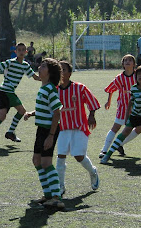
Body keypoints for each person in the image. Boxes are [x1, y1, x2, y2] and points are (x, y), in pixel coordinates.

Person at [24, 58, 65, 209]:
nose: (39, 68)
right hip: (41, 129)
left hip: (48, 130)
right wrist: (32, 113)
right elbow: (46, 109)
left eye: (43, 66)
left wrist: (51, 135)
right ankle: (48, 195)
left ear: (50, 72)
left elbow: (56, 113)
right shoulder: (44, 88)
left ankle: (56, 196)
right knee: (37, 161)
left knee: (46, 163)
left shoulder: (50, 89)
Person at [0, 42, 41, 146]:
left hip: (6, 91)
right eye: (19, 50)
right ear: (16, 52)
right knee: (22, 110)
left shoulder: (25, 65)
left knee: (2, 116)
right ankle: (10, 132)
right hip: (6, 91)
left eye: (23, 50)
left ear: (26, 52)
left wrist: (47, 79)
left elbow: (35, 77)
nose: (21, 52)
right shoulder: (11, 62)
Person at [56, 61, 100, 195]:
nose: (62, 73)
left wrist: (91, 115)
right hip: (63, 128)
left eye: (64, 70)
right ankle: (60, 186)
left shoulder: (79, 88)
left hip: (79, 127)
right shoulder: (55, 90)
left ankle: (93, 172)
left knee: (78, 156)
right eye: (59, 70)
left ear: (69, 73)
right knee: (60, 156)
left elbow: (92, 102)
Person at [99, 54, 141, 158]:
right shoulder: (119, 78)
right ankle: (104, 150)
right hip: (123, 107)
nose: (127, 62)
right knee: (116, 127)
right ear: (122, 64)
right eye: (125, 60)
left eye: (130, 60)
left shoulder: (138, 76)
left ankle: (119, 144)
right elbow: (110, 89)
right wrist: (108, 101)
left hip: (136, 107)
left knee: (139, 128)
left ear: (134, 64)